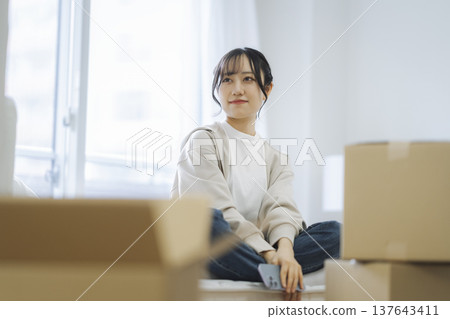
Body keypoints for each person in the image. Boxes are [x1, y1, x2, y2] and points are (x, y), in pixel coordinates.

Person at [172, 47, 340, 293]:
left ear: (267, 90)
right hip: (214, 246)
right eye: (227, 79)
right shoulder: (203, 141)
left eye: (248, 79)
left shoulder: (275, 157)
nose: (236, 88)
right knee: (206, 221)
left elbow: (282, 211)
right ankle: (274, 271)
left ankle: (261, 269)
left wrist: (285, 251)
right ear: (218, 90)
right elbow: (220, 210)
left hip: (247, 251)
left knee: (335, 232)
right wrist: (271, 256)